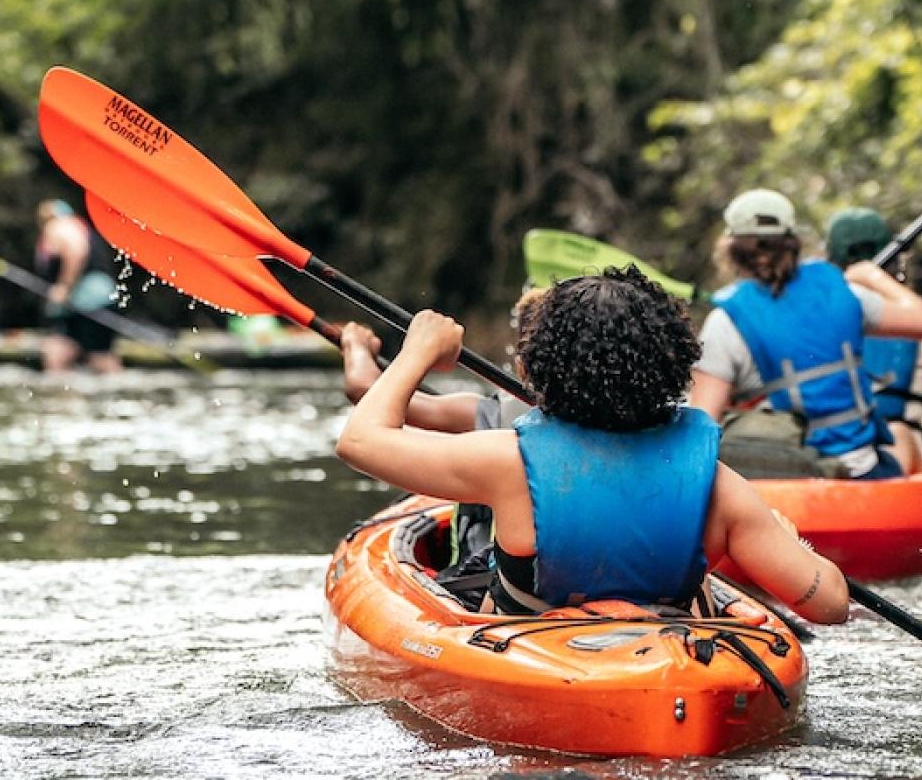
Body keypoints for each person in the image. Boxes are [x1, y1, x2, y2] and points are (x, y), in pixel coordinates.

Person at [336, 267, 848, 623]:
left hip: (533, 656)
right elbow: (830, 605)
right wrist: (788, 538)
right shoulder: (718, 485)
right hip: (667, 661)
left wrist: (418, 351)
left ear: (535, 368)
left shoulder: (505, 461)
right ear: (674, 367)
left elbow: (359, 440)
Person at [689, 189, 922, 480]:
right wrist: (872, 275)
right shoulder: (844, 291)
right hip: (858, 470)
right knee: (904, 435)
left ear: (731, 250)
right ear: (792, 242)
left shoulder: (725, 320)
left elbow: (703, 430)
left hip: (777, 481)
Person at [338, 288, 545, 595]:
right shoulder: (634, 428)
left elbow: (363, 392)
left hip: (486, 589)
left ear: (522, 364)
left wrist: (356, 346)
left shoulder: (493, 416)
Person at [824, 207, 922, 473]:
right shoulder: (916, 318)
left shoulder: (812, 315)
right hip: (901, 452)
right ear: (894, 263)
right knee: (905, 433)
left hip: (833, 453)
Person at [34, 199, 122, 374]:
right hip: (96, 298)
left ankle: (62, 394)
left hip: (88, 301)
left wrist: (64, 287)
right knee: (64, 350)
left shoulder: (59, 226)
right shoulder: (79, 226)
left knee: (93, 356)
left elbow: (77, 251)